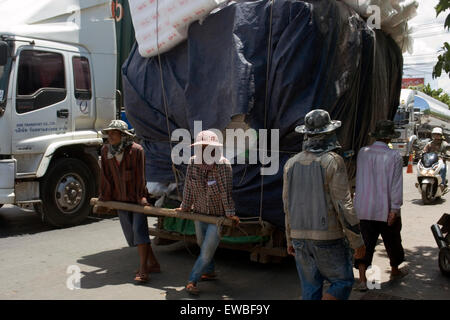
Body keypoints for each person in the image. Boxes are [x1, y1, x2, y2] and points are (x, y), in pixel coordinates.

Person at [283, 109, 366, 300]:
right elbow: (343, 204)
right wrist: (357, 240)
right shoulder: (332, 161)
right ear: (329, 134)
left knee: (310, 288)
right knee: (343, 282)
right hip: (328, 237)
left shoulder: (291, 164)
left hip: (299, 236)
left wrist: (289, 238)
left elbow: (287, 205)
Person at [176, 130, 239, 295]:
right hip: (199, 213)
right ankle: (209, 271)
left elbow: (226, 192)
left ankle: (192, 280)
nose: (205, 151)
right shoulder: (192, 163)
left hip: (217, 218)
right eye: (202, 147)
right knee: (201, 243)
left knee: (206, 251)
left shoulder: (223, 165)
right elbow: (188, 188)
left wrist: (230, 213)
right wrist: (184, 206)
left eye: (209, 147)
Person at [99, 120, 160, 283]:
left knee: (139, 231)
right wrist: (104, 197)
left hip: (135, 198)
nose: (110, 136)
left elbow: (141, 176)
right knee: (132, 235)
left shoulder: (136, 150)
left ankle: (143, 269)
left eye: (113, 133)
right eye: (109, 133)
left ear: (123, 135)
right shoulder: (106, 151)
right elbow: (106, 176)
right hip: (120, 199)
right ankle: (153, 262)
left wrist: (141, 197)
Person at [354, 120, 407, 291]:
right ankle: (395, 269)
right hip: (385, 210)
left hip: (364, 208)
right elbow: (396, 185)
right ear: (390, 137)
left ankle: (362, 280)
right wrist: (395, 209)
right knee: (392, 241)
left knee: (364, 243)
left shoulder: (363, 152)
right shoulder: (394, 156)